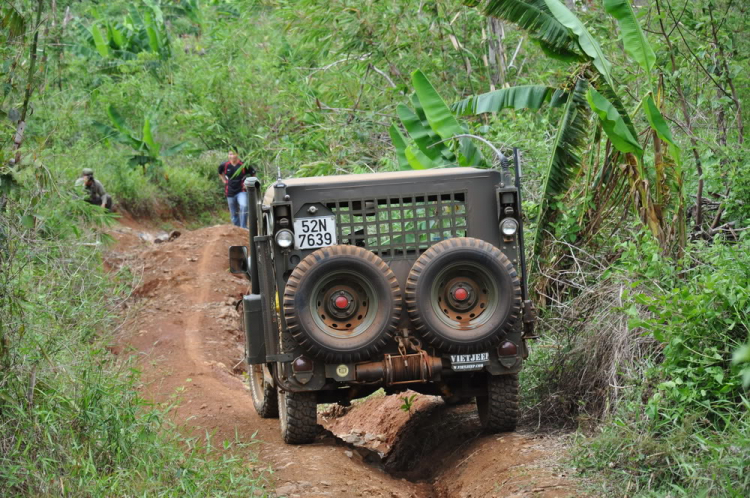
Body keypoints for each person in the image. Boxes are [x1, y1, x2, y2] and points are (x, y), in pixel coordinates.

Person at [218, 150, 256, 228]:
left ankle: (243, 227)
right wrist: (224, 181)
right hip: (230, 191)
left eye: (233, 154)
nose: (232, 156)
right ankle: (237, 228)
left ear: (237, 154)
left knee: (244, 206)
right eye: (230, 154)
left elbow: (253, 173)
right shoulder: (224, 165)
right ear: (228, 155)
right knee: (233, 212)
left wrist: (248, 183)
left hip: (241, 190)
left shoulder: (243, 165)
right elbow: (220, 172)